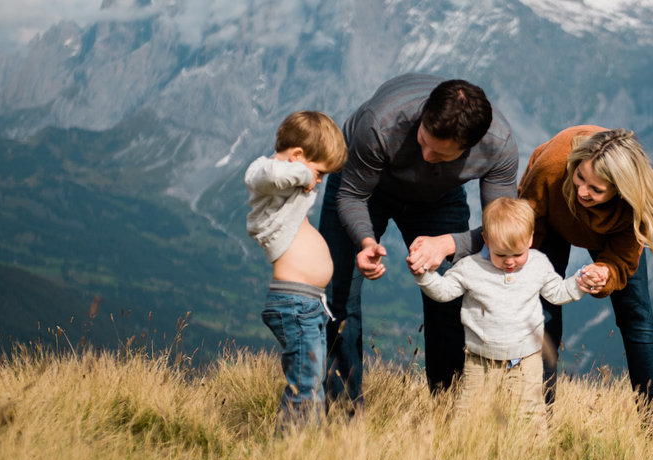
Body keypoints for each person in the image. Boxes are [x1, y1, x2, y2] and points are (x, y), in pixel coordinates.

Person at [319, 74, 518, 413]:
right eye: (423, 140)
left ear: (469, 148)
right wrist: (366, 241)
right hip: (366, 186)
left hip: (439, 198)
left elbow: (503, 233)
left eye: (440, 154)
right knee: (338, 295)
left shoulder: (498, 144)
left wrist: (448, 244)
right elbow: (351, 194)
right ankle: (342, 417)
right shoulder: (379, 124)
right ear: (423, 113)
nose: (425, 156)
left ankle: (448, 411)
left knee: (451, 295)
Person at [519, 126, 653, 428]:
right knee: (543, 315)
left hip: (611, 230)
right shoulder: (551, 169)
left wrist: (606, 272)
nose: (583, 191)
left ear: (620, 190)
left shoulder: (640, 200)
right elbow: (526, 225)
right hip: (550, 218)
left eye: (596, 189)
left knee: (638, 319)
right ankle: (537, 426)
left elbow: (622, 259)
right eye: (580, 178)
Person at [413, 197, 586, 420]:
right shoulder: (470, 267)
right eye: (501, 254)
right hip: (480, 360)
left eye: (518, 254)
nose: (510, 262)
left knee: (531, 412)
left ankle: (535, 451)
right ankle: (463, 449)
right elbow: (444, 291)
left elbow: (557, 293)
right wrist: (423, 275)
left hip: (526, 360)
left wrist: (579, 284)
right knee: (469, 413)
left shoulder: (538, 264)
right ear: (486, 240)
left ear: (530, 239)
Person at [245, 110, 348, 429]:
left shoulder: (286, 197)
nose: (318, 182)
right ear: (298, 156)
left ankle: (304, 453)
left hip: (309, 304)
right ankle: (293, 454)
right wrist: (302, 173)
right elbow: (261, 173)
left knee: (311, 383)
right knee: (304, 386)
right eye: (319, 172)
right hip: (295, 305)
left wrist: (304, 172)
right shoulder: (268, 184)